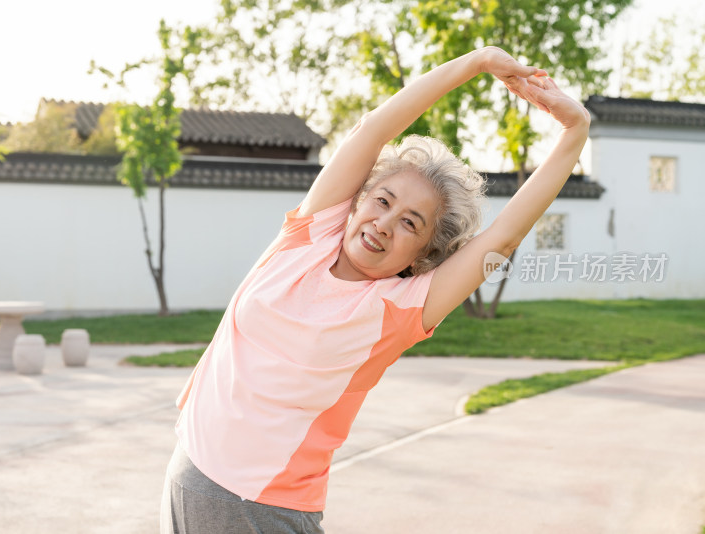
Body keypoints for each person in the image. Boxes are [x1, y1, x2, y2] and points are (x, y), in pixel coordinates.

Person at [160, 46, 590, 534]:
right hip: (187, 473)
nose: (384, 224)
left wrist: (575, 132)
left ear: (424, 254)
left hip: (257, 507)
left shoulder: (399, 310)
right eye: (382, 201)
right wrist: (475, 62)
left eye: (410, 223)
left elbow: (503, 238)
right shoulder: (308, 237)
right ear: (360, 200)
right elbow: (373, 129)